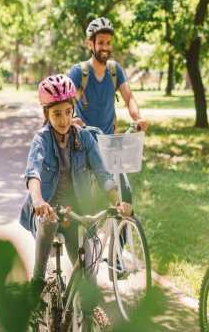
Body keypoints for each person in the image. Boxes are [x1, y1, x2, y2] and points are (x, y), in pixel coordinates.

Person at [19, 74, 132, 306]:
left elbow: (103, 174)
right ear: (47, 115)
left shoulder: (84, 139)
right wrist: (38, 201)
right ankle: (38, 279)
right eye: (56, 114)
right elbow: (34, 174)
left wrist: (117, 201)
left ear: (73, 110)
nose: (63, 119)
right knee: (49, 221)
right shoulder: (41, 140)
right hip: (48, 209)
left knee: (86, 276)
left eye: (67, 112)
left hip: (75, 212)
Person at [68, 17, 149, 135]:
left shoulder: (115, 70)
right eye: (101, 42)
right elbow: (67, 104)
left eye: (108, 43)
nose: (105, 47)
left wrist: (138, 119)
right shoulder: (79, 72)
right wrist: (72, 120)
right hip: (84, 143)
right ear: (91, 44)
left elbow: (129, 98)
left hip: (109, 141)